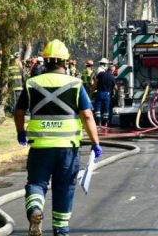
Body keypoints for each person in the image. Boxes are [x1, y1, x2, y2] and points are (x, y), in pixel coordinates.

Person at [14, 39, 101, 236]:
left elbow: (19, 112)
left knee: (36, 184)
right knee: (64, 188)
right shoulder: (76, 84)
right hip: (67, 150)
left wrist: (21, 132)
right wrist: (96, 144)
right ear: (65, 61)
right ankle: (61, 230)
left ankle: (35, 210)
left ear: (45, 61)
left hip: (40, 147)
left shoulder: (32, 84)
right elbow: (87, 116)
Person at [91, 58, 115, 128]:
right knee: (106, 109)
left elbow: (95, 83)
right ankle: (105, 123)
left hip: (99, 92)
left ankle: (98, 123)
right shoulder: (110, 76)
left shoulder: (100, 73)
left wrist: (92, 90)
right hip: (106, 94)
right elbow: (115, 87)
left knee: (98, 108)